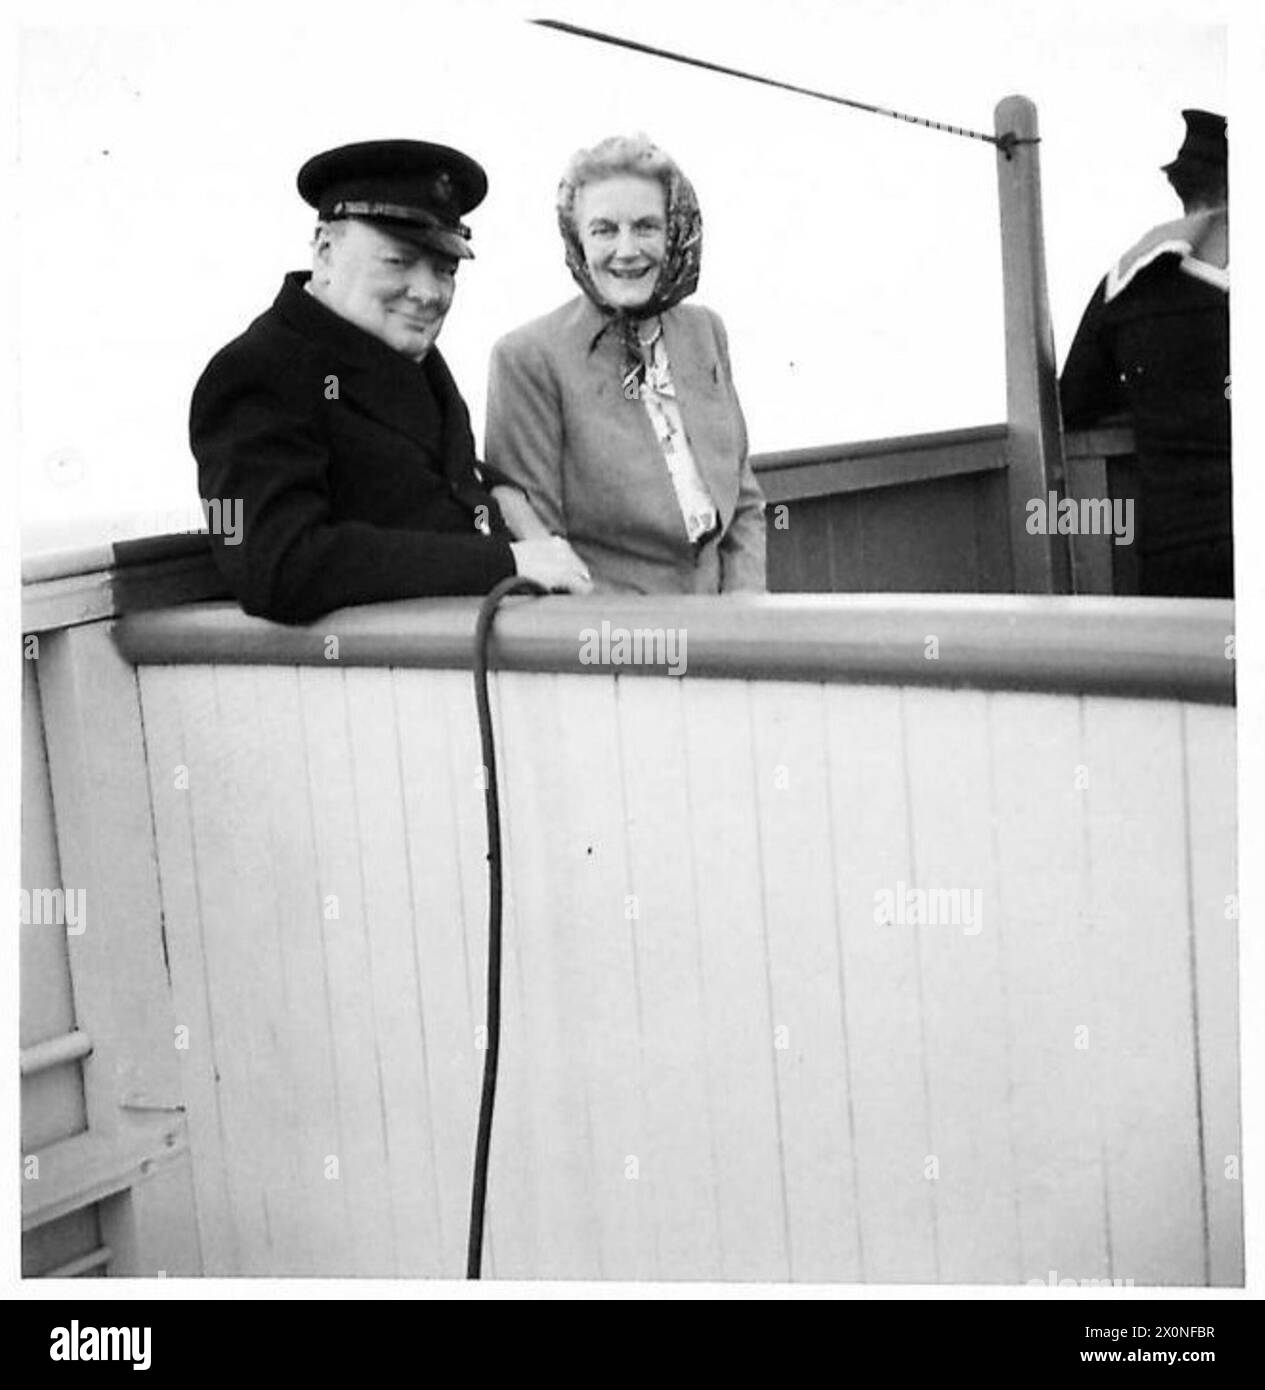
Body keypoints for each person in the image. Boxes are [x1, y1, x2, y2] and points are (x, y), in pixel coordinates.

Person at [190, 139, 592, 624]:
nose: (428, 293)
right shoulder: (251, 373)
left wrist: (508, 498)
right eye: (398, 261)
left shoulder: (403, 359)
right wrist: (507, 562)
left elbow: (433, 470)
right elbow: (268, 563)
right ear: (324, 250)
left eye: (445, 269)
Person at [484, 134, 766, 594]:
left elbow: (745, 501)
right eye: (604, 230)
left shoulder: (705, 331)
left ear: (673, 232)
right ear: (577, 240)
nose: (627, 249)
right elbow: (541, 543)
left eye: (646, 226)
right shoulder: (527, 358)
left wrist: (745, 610)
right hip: (618, 639)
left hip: (726, 626)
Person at [1060, 109, 1231, 598]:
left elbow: (1071, 405)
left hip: (1175, 547)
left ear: (1182, 189)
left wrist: (1148, 387)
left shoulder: (1127, 280)